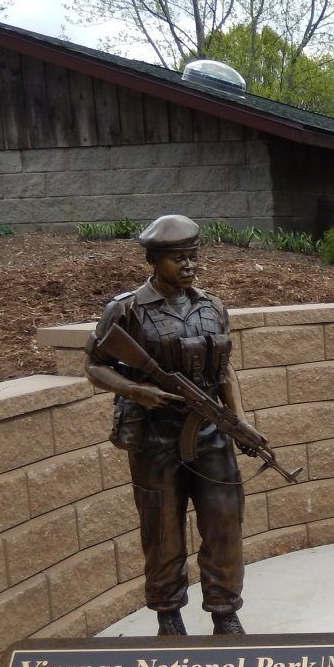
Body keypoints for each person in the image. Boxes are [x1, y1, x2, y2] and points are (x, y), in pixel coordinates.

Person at [84, 214, 253, 637]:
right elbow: (94, 366)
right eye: (179, 259)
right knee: (162, 529)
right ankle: (168, 615)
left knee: (224, 523)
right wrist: (138, 392)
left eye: (193, 257)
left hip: (211, 432)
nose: (189, 265)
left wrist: (239, 420)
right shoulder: (126, 310)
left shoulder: (212, 306)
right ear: (154, 260)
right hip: (155, 436)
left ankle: (224, 611)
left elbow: (225, 369)